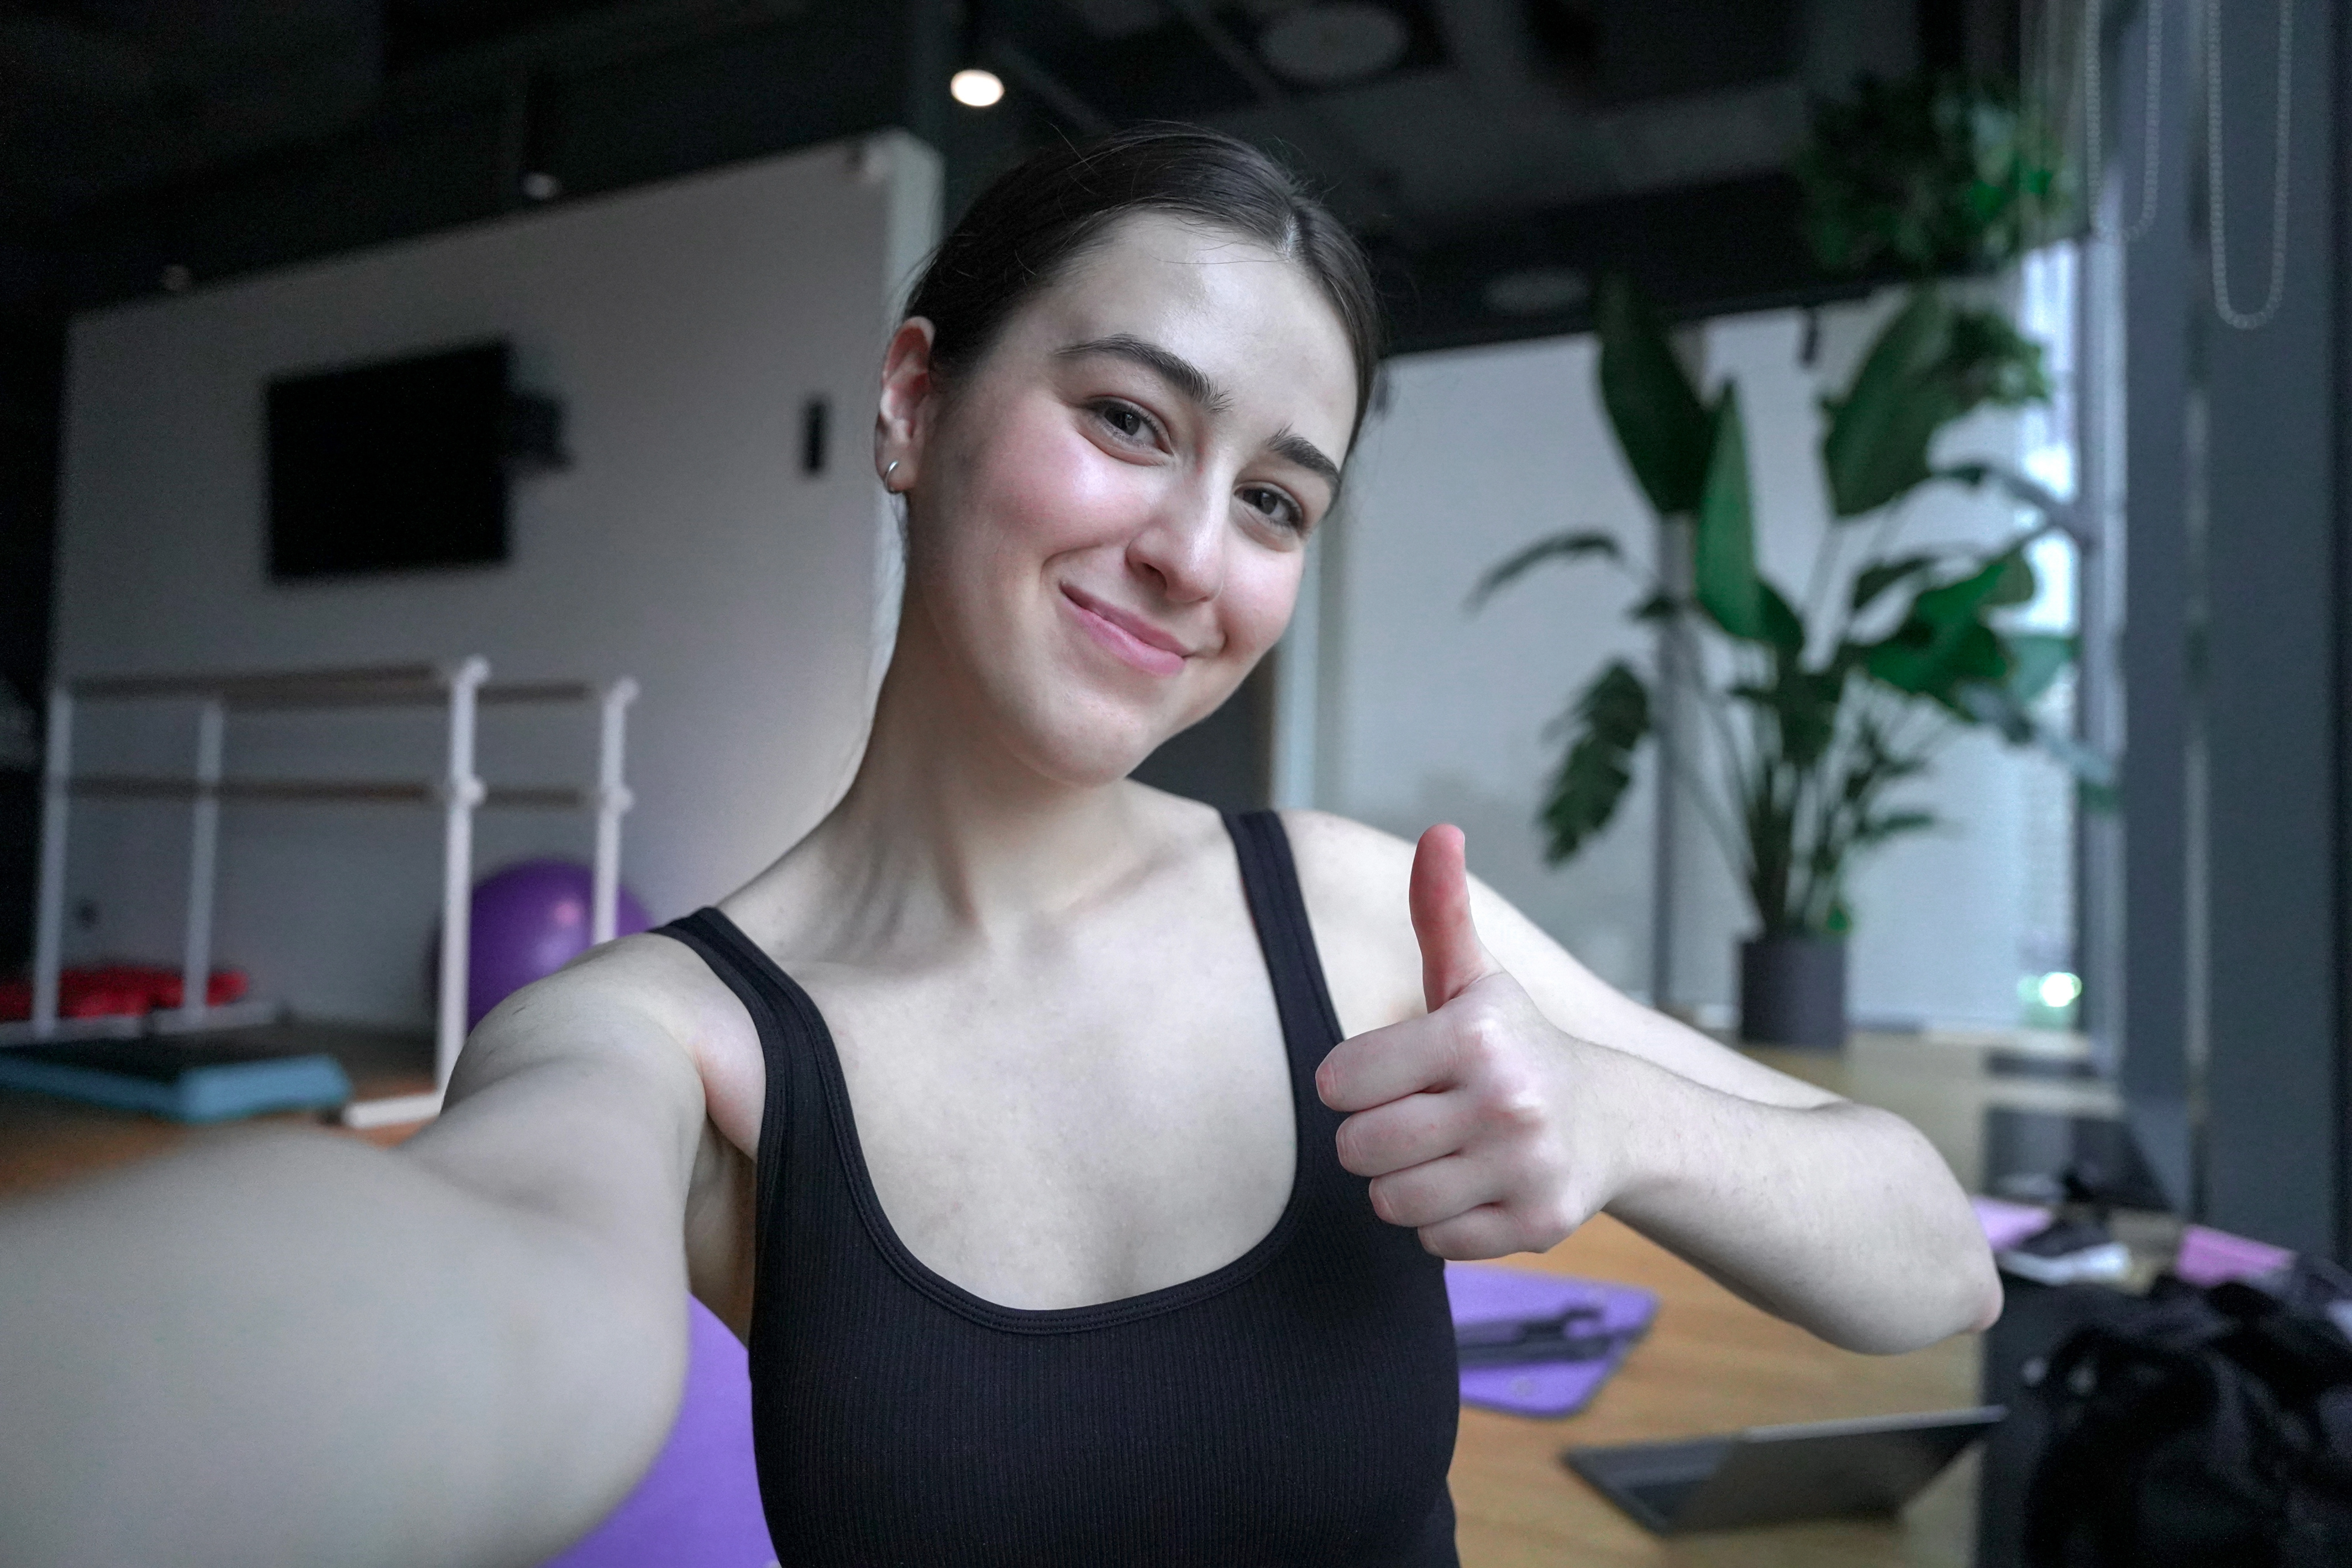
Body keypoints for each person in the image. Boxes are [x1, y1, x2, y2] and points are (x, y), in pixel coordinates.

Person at [0, 126, 1998, 1568]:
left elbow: (1930, 1267)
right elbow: (462, 1286)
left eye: (1279, 505)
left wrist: (1621, 1116)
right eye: (1132, 419)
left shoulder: (1361, 910)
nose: (1193, 552)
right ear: (911, 397)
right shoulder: (667, 1045)